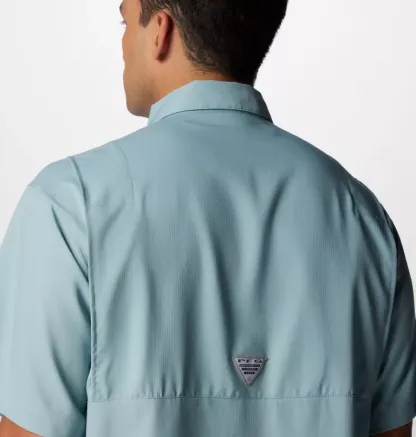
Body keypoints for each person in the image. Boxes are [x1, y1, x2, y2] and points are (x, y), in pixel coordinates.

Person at [0, 0, 415, 435]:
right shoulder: (363, 219)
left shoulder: (69, 207)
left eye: (125, 20)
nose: (122, 43)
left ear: (160, 31)